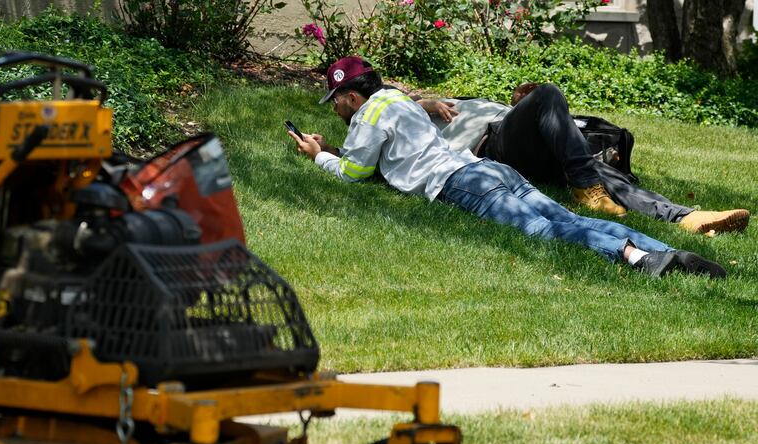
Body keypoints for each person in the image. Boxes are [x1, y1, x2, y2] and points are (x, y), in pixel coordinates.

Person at [287, 56, 727, 278]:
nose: (336, 110)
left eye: (337, 102)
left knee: (543, 230)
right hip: (492, 171)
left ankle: (638, 258)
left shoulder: (366, 117)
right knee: (565, 217)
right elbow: (400, 124)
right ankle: (664, 251)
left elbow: (355, 173)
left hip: (462, 183)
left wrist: (319, 155)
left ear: (351, 97)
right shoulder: (396, 99)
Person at [414, 86, 750, 235]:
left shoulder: (474, 100)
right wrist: (425, 102)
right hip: (490, 147)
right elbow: (392, 105)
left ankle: (686, 217)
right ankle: (586, 185)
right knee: (547, 94)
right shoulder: (405, 111)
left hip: (521, 140)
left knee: (591, 166)